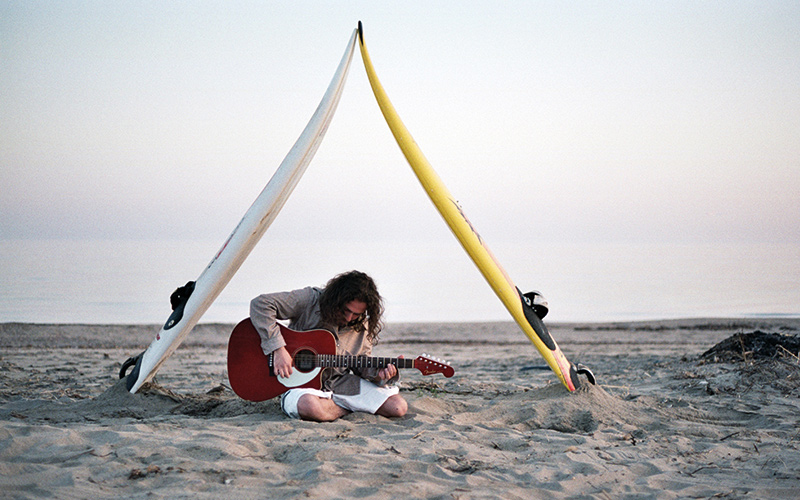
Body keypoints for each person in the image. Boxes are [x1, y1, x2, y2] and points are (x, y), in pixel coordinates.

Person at [250, 270, 408, 422]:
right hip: (299, 384)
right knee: (310, 406)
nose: (349, 318)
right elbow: (261, 304)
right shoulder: (310, 299)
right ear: (337, 298)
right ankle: (347, 407)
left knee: (397, 407)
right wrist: (278, 349)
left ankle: (333, 408)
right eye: (346, 310)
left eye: (356, 314)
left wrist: (378, 374)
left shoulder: (363, 325)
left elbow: (361, 362)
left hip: (340, 383)